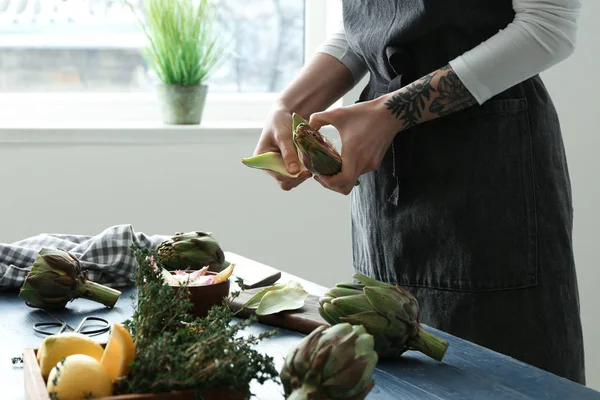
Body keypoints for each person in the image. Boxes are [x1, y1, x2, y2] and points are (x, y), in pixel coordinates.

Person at [253, 0, 585, 384]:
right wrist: (288, 105)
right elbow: (369, 27)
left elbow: (549, 27)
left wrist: (392, 113)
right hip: (386, 175)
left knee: (508, 377)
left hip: (488, 168)